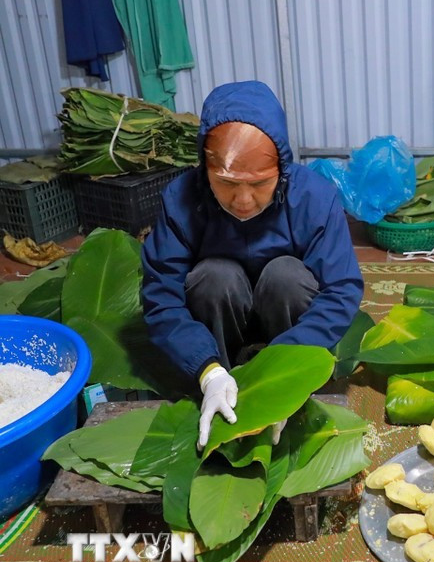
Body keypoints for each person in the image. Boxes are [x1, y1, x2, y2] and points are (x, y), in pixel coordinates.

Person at [141, 81, 364, 449]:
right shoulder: (181, 200)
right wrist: (207, 370)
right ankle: (222, 383)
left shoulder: (314, 197)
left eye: (259, 183)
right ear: (204, 168)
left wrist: (286, 370)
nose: (243, 200)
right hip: (218, 325)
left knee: (286, 276)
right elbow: (160, 296)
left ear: (282, 166)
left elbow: (341, 289)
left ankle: (282, 377)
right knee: (214, 276)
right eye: (226, 183)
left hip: (285, 317)